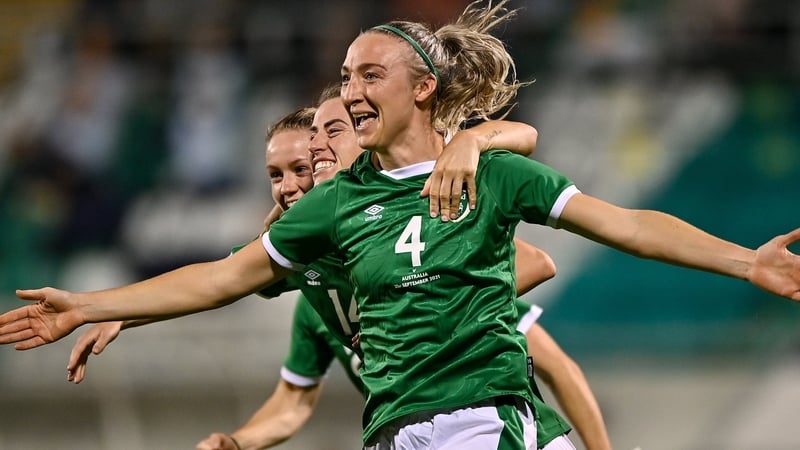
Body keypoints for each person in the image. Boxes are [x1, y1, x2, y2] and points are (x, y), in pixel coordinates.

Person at [2, 0, 799, 447]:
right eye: (345, 75)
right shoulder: (333, 210)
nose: (348, 90)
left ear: (422, 88)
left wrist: (744, 262)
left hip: (485, 422)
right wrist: (94, 304)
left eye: (369, 73)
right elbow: (221, 276)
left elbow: (621, 224)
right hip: (393, 435)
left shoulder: (489, 172)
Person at [68, 88, 608, 449]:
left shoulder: (407, 241)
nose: (288, 184)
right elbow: (223, 289)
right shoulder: (309, 283)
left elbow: (538, 265)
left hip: (496, 425)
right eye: (275, 173)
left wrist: (418, 301)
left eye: (305, 165)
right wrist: (126, 314)